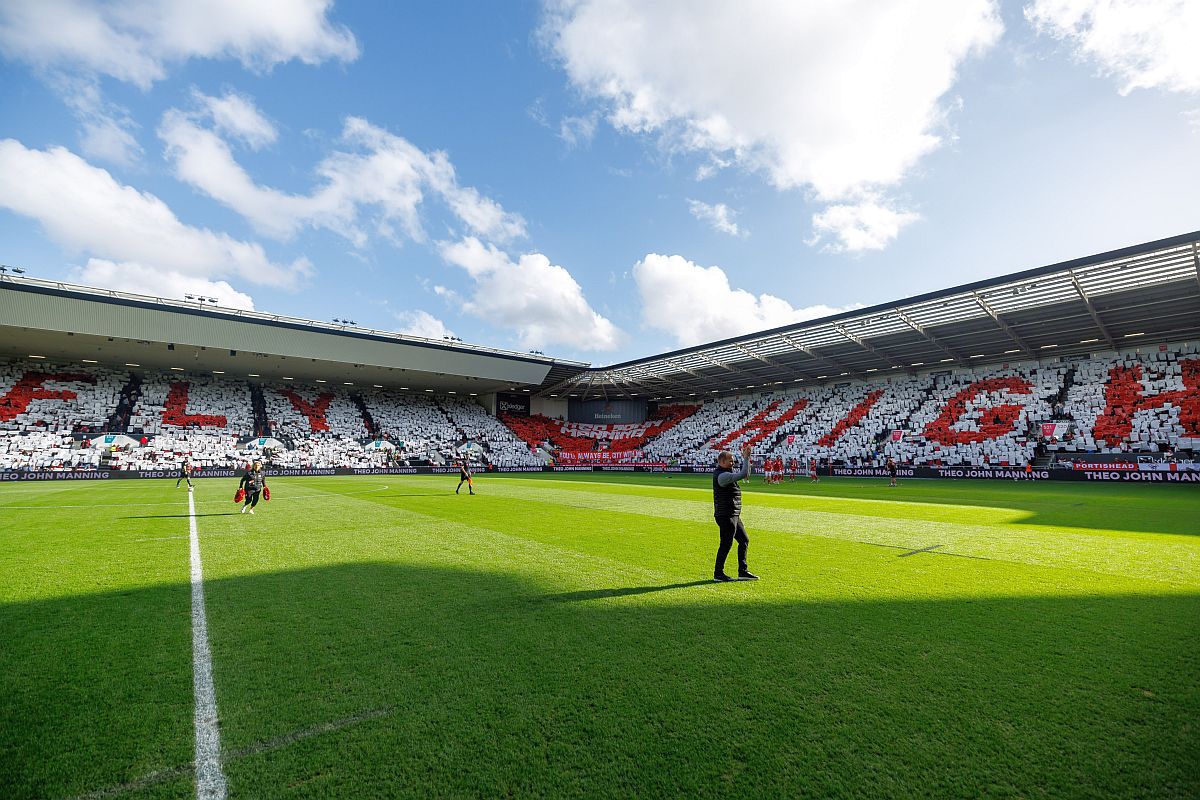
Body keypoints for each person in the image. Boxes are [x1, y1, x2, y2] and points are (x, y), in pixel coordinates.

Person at [712, 443, 759, 582]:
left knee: (744, 540)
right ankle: (718, 573)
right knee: (726, 544)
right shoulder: (722, 476)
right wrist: (746, 457)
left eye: (733, 460)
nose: (733, 462)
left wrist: (746, 459)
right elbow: (743, 474)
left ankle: (742, 571)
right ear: (722, 462)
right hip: (726, 515)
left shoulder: (725, 473)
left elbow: (745, 475)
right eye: (730, 460)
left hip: (733, 513)